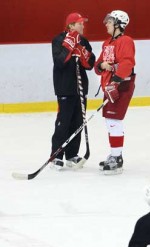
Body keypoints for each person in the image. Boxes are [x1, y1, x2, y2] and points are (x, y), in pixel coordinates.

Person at [51, 12, 95, 170]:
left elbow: (91, 64)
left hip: (81, 89)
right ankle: (56, 156)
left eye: (83, 23)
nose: (83, 25)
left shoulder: (83, 41)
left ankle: (71, 155)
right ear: (70, 25)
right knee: (63, 123)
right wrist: (68, 46)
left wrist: (84, 54)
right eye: (79, 23)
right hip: (65, 88)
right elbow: (59, 62)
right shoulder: (58, 40)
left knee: (77, 123)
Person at [94, 10, 136, 175]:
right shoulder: (107, 43)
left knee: (114, 120)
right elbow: (98, 66)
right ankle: (115, 154)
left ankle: (116, 158)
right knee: (110, 121)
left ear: (119, 24)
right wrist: (102, 66)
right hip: (109, 86)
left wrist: (115, 82)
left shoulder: (126, 41)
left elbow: (128, 63)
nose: (106, 23)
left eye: (110, 21)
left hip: (121, 86)